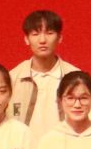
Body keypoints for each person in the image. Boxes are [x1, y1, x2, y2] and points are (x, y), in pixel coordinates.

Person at [9, 8, 77, 142]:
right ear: (26, 39)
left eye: (49, 33)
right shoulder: (13, 78)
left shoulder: (74, 77)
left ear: (60, 38)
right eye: (35, 34)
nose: (42, 40)